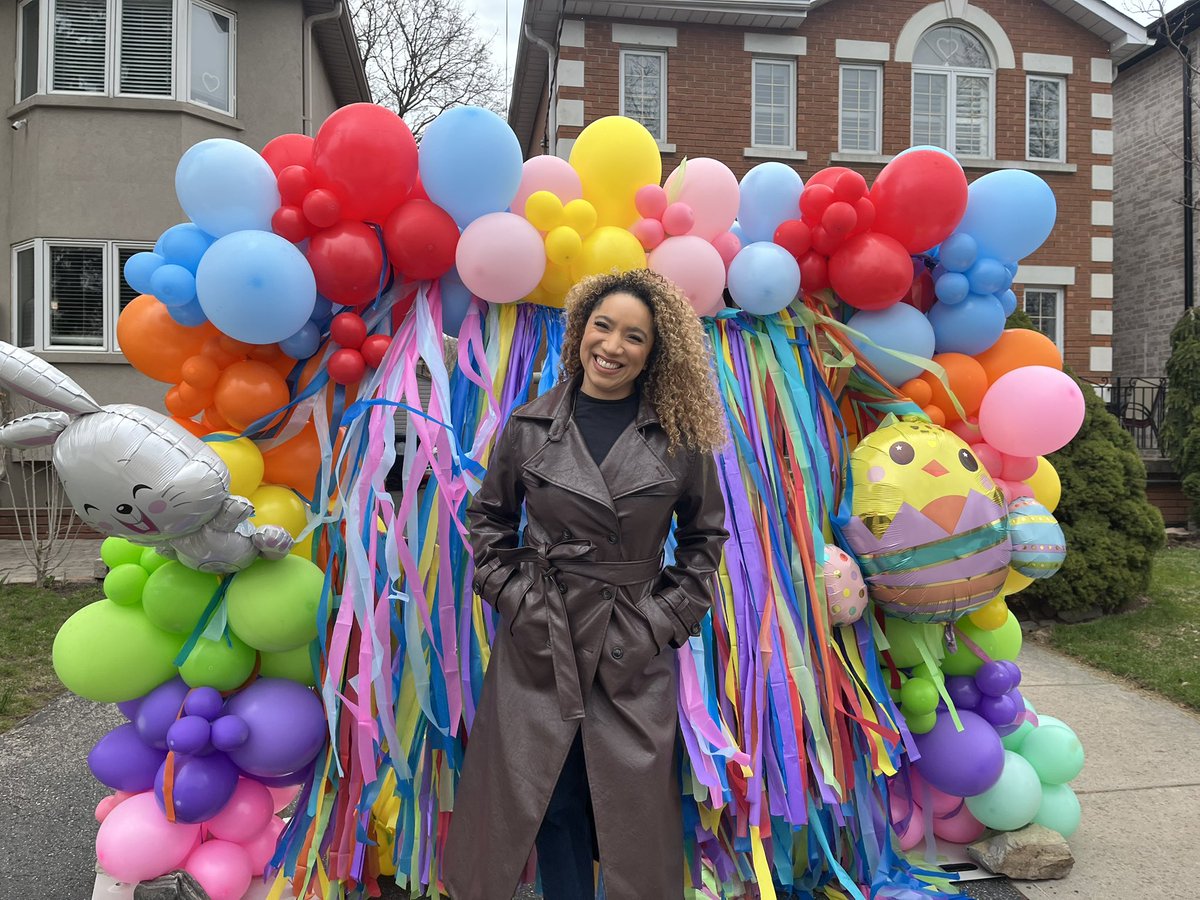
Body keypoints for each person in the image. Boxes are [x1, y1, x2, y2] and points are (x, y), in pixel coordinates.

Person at [443, 269, 730, 900]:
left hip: (631, 647)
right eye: (602, 325)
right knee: (547, 799)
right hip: (540, 640)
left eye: (635, 335)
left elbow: (705, 540)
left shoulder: (680, 441)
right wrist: (517, 599)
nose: (612, 345)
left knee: (626, 806)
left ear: (654, 354)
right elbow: (487, 522)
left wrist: (659, 623)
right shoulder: (527, 427)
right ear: (580, 331)